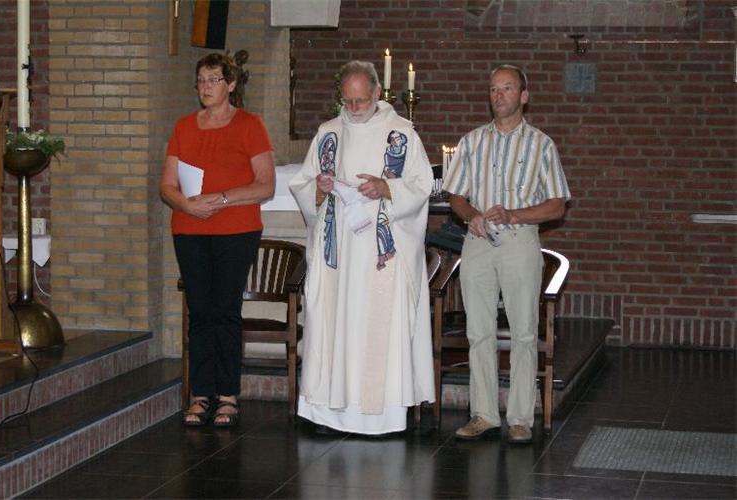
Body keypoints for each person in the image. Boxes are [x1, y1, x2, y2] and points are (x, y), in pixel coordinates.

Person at [289, 60, 435, 435]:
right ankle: (329, 413)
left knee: (378, 328)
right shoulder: (328, 134)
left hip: (380, 255)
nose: (354, 108)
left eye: (361, 100)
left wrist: (387, 188)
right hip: (338, 254)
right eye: (348, 101)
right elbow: (303, 185)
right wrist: (319, 190)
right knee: (335, 323)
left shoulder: (401, 134)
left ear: (377, 94)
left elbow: (422, 186)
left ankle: (380, 416)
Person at [443, 64, 571, 443]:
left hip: (519, 242)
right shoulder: (471, 141)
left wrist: (514, 214)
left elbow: (557, 205)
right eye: (493, 89)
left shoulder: (542, 145)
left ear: (524, 96)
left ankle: (519, 418)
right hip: (478, 241)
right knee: (478, 332)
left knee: (523, 333)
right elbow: (455, 196)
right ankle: (483, 414)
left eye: (507, 88)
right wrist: (471, 215)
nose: (498, 95)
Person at [160, 53, 275, 427]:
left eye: (213, 79)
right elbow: (167, 185)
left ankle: (227, 395)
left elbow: (266, 185)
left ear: (231, 84)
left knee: (225, 310)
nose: (205, 86)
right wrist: (187, 206)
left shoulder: (250, 125)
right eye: (201, 80)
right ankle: (200, 394)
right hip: (190, 229)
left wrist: (221, 199)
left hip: (236, 230)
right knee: (200, 311)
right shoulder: (184, 126)